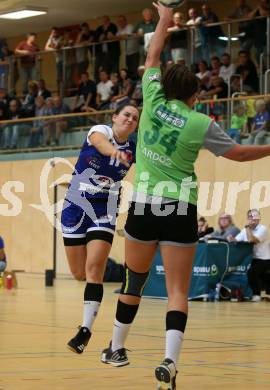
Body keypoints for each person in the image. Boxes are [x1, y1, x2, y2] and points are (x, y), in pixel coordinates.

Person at [101, 4, 270, 389]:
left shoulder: (152, 102)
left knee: (134, 281)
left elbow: (152, 55)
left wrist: (164, 17)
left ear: (164, 87)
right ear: (194, 93)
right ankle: (169, 362)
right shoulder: (200, 123)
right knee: (178, 291)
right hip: (180, 208)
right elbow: (241, 154)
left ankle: (116, 348)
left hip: (144, 205)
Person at [61, 103, 139, 354]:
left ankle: (85, 330)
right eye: (126, 114)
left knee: (95, 269)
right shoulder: (100, 130)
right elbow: (100, 143)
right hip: (75, 205)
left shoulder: (134, 149)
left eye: (135, 118)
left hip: (104, 209)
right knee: (78, 273)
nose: (130, 119)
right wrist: (113, 153)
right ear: (115, 117)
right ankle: (86, 321)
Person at [228, 209, 270, 302]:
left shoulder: (263, 229)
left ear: (259, 219)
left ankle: (256, 295)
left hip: (264, 259)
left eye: (255, 218)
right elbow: (237, 240)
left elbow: (252, 240)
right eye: (250, 217)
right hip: (251, 258)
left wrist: (248, 228)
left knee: (252, 272)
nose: (253, 220)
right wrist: (232, 239)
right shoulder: (244, 230)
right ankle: (241, 293)